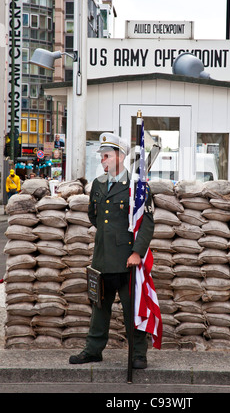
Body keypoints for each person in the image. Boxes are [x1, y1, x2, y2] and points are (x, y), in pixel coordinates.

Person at [69, 132, 154, 368]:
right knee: (99, 308)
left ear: (120, 156)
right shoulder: (97, 184)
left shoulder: (137, 186)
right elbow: (94, 216)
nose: (102, 160)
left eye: (106, 156)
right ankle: (93, 350)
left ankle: (138, 354)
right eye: (102, 156)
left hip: (128, 260)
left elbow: (146, 223)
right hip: (102, 258)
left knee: (131, 309)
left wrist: (137, 252)